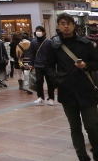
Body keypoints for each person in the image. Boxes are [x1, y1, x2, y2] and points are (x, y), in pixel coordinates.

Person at [45, 13, 98, 161]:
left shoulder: (85, 44)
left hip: (86, 89)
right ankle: (82, 156)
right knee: (75, 127)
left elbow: (96, 63)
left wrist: (85, 65)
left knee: (92, 125)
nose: (66, 26)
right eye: (62, 23)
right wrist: (57, 80)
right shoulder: (54, 45)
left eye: (68, 23)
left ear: (74, 25)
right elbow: (48, 65)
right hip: (67, 91)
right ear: (58, 25)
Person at [31, 25, 55, 106]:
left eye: (40, 30)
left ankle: (51, 98)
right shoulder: (33, 42)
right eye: (37, 30)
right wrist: (31, 64)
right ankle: (40, 97)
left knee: (50, 82)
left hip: (48, 65)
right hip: (38, 65)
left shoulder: (49, 42)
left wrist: (52, 63)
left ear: (44, 32)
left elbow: (52, 54)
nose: (38, 32)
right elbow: (32, 54)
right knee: (39, 81)